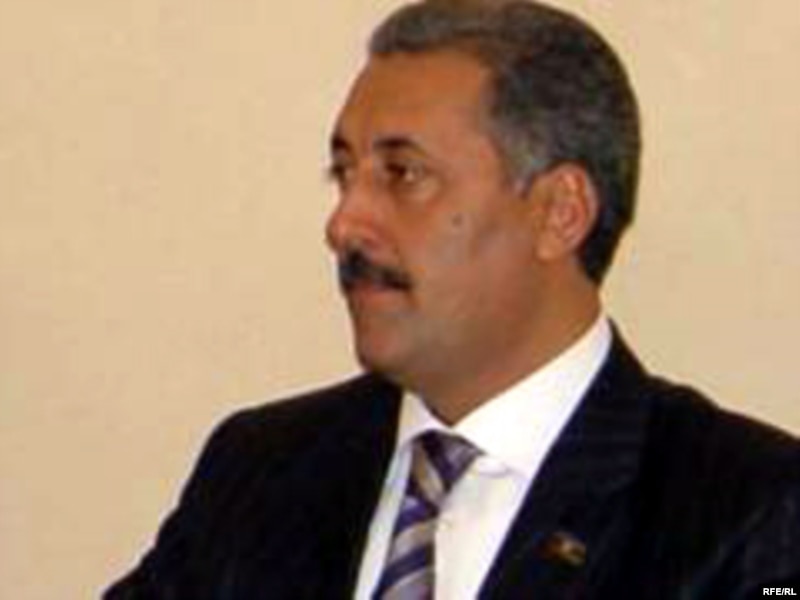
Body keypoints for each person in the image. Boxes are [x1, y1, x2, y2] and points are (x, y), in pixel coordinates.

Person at [104, 1, 800, 598]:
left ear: (560, 212)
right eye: (343, 173)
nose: (344, 224)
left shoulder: (752, 510)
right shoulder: (262, 470)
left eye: (403, 175)